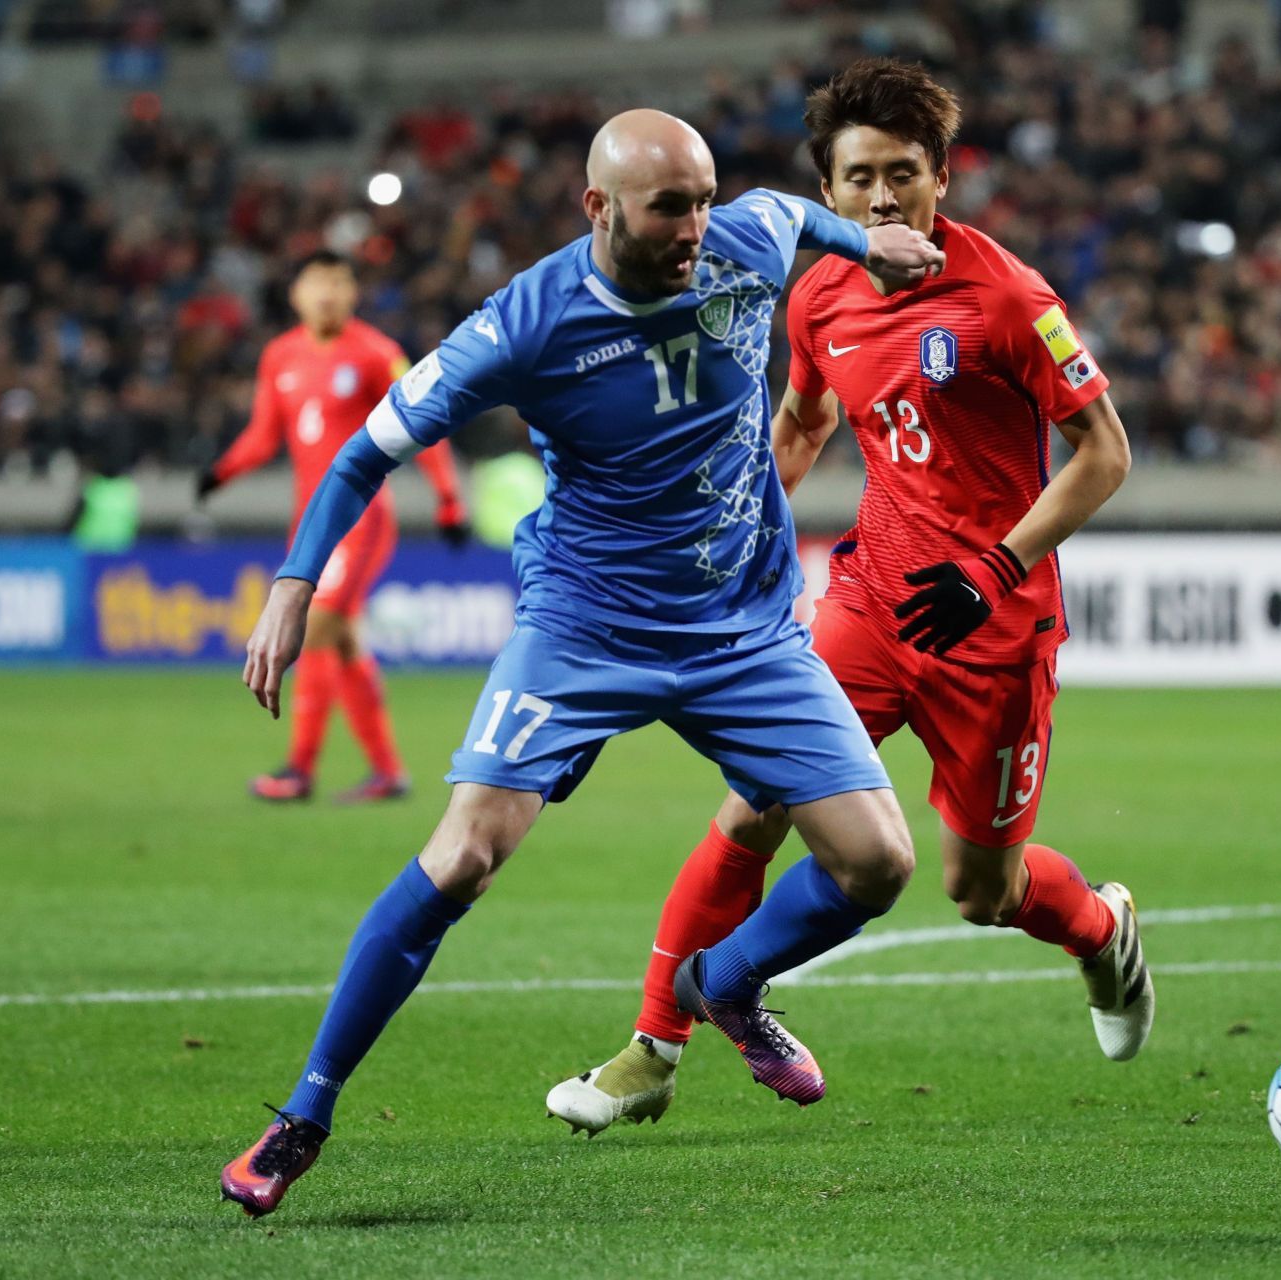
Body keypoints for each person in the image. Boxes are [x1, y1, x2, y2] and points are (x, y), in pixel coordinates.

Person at [219, 109, 947, 1218]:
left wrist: (865, 243)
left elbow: (790, 211)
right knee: (462, 856)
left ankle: (729, 982)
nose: (698, 225)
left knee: (880, 863)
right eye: (670, 206)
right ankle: (302, 1115)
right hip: (587, 625)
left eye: (704, 197)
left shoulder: (743, 238)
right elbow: (368, 451)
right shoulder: (522, 324)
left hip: (743, 628)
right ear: (597, 207)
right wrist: (292, 583)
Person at [546, 60, 1151, 1138]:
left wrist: (997, 566)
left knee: (981, 888)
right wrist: (726, 532)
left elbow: (1105, 454)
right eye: (862, 176)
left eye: (903, 175)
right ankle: (654, 1048)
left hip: (993, 625)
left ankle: (1101, 928)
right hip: (870, 602)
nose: (883, 198)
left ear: (942, 179)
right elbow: (802, 422)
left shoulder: (1010, 297)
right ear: (829, 192)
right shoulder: (818, 288)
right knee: (753, 803)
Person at [197, 250, 469, 804]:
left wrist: (448, 501)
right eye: (317, 282)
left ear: (353, 294)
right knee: (343, 643)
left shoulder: (377, 353)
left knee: (315, 630)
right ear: (295, 294)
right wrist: (220, 473)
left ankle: (298, 770)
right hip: (312, 524)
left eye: (340, 283)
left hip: (361, 521)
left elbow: (424, 423)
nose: (328, 293)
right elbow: (263, 435)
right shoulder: (280, 356)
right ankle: (389, 773)